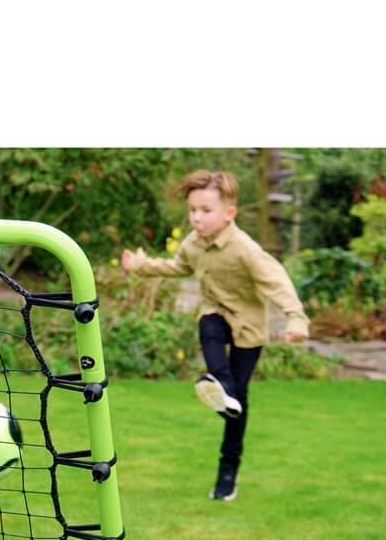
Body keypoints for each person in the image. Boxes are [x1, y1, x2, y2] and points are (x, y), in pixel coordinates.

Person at [121, 169, 309, 502]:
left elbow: (276, 281)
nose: (196, 217)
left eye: (205, 210)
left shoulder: (244, 249)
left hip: (249, 328)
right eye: (192, 210)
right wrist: (141, 265)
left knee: (238, 403)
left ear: (229, 213)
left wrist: (296, 318)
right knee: (208, 324)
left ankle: (228, 471)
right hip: (216, 314)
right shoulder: (192, 245)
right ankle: (220, 384)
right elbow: (177, 267)